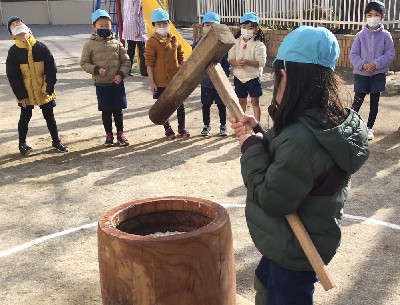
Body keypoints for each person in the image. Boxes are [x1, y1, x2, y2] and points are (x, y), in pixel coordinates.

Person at [230, 26, 369, 305]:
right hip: (302, 237)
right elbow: (292, 155)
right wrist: (260, 133)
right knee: (266, 283)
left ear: (285, 75)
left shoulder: (301, 139)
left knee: (285, 296)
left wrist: (252, 149)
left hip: (296, 246)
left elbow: (272, 198)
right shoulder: (325, 118)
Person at [6, 16, 68, 156]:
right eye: (13, 25)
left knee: (49, 116)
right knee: (25, 116)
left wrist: (48, 87)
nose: (16, 24)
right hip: (26, 91)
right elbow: (13, 77)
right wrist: (21, 95)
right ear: (12, 37)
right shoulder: (13, 52)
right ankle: (22, 144)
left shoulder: (41, 47)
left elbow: (51, 70)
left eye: (19, 23)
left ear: (30, 30)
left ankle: (56, 141)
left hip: (43, 89)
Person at [81, 9, 131, 147]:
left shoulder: (117, 43)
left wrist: (121, 74)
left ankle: (120, 133)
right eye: (101, 26)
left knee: (118, 110)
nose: (104, 28)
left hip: (117, 84)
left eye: (107, 26)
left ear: (111, 26)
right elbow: (84, 63)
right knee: (106, 111)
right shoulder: (89, 45)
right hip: (102, 84)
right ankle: (108, 134)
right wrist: (96, 70)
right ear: (94, 27)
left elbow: (126, 61)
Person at [349, 0, 395, 140]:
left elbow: (390, 53)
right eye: (370, 14)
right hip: (361, 74)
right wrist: (362, 65)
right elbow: (353, 54)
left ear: (382, 17)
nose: (373, 17)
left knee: (374, 103)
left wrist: (376, 64)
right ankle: (349, 125)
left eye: (376, 14)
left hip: (378, 74)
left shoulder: (386, 35)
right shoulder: (360, 35)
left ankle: (369, 128)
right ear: (365, 16)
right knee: (357, 101)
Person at [145, 8, 190, 140]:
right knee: (163, 107)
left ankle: (182, 127)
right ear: (154, 25)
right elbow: (149, 63)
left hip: (175, 80)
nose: (162, 27)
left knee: (179, 105)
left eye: (165, 24)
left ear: (169, 24)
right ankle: (168, 129)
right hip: (160, 81)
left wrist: (183, 71)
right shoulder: (151, 42)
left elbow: (181, 56)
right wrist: (152, 82)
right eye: (159, 24)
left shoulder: (174, 39)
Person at [192, 12, 229, 136]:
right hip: (206, 81)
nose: (210, 28)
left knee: (221, 104)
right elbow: (195, 63)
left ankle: (223, 125)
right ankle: (206, 125)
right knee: (206, 104)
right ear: (202, 26)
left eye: (213, 26)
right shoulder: (197, 45)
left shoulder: (223, 44)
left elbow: (225, 63)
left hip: (219, 81)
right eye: (207, 25)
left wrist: (225, 76)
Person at [228, 12, 266, 122]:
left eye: (251, 27)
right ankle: (242, 123)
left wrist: (247, 62)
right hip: (239, 77)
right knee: (241, 101)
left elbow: (261, 62)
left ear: (256, 29)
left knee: (255, 102)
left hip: (253, 77)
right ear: (240, 27)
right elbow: (230, 59)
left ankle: (257, 124)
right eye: (244, 27)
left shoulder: (259, 44)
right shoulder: (235, 42)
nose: (247, 30)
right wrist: (236, 63)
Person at [122, 0, 148, 76]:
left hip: (128, 25)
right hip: (136, 26)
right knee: (142, 50)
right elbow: (135, 13)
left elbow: (124, 11)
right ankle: (143, 70)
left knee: (130, 50)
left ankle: (128, 69)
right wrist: (137, 29)